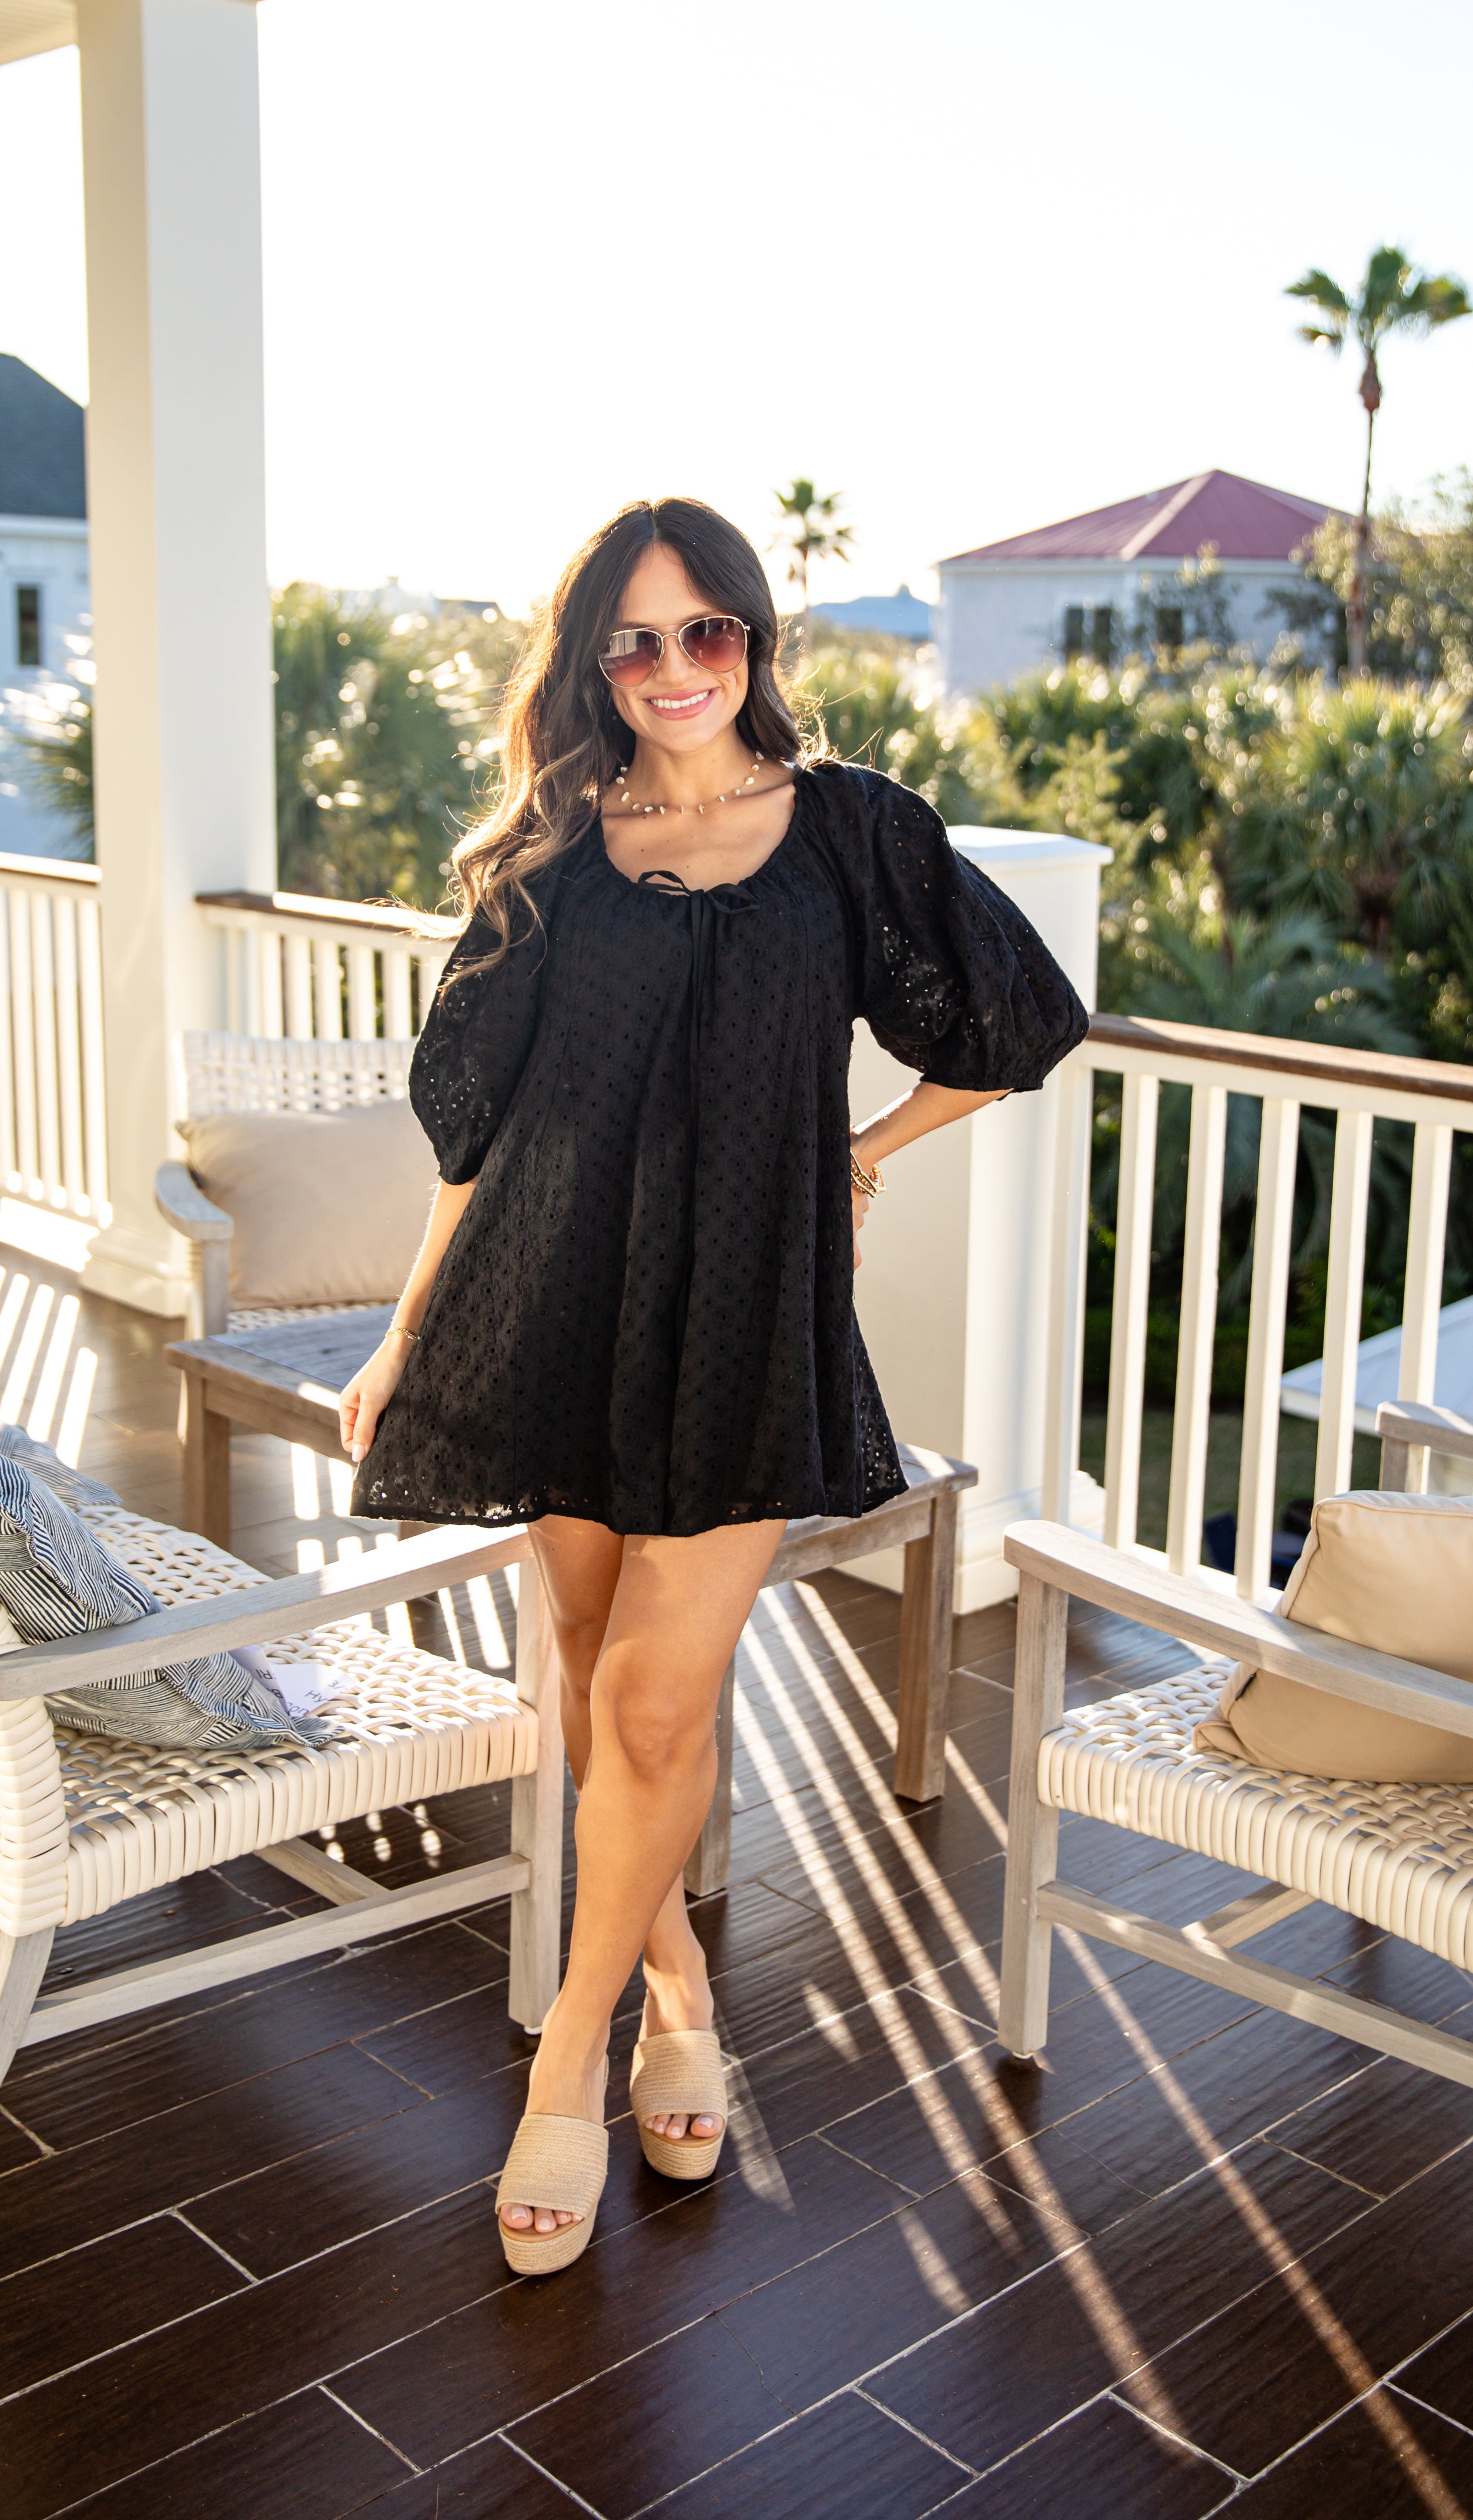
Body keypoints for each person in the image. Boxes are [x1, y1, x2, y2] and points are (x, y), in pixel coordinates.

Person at [339, 496, 1087, 2276]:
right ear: (592, 663)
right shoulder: (551, 847)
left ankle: (566, 2060)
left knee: (655, 1704)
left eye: (708, 632)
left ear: (754, 639)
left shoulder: (851, 830)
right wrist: (405, 1331)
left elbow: (1014, 1021)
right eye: (636, 640)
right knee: (592, 1667)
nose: (675, 668)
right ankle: (673, 1980)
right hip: (549, 1293)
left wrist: (865, 1149)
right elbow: (475, 1134)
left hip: (749, 1312)